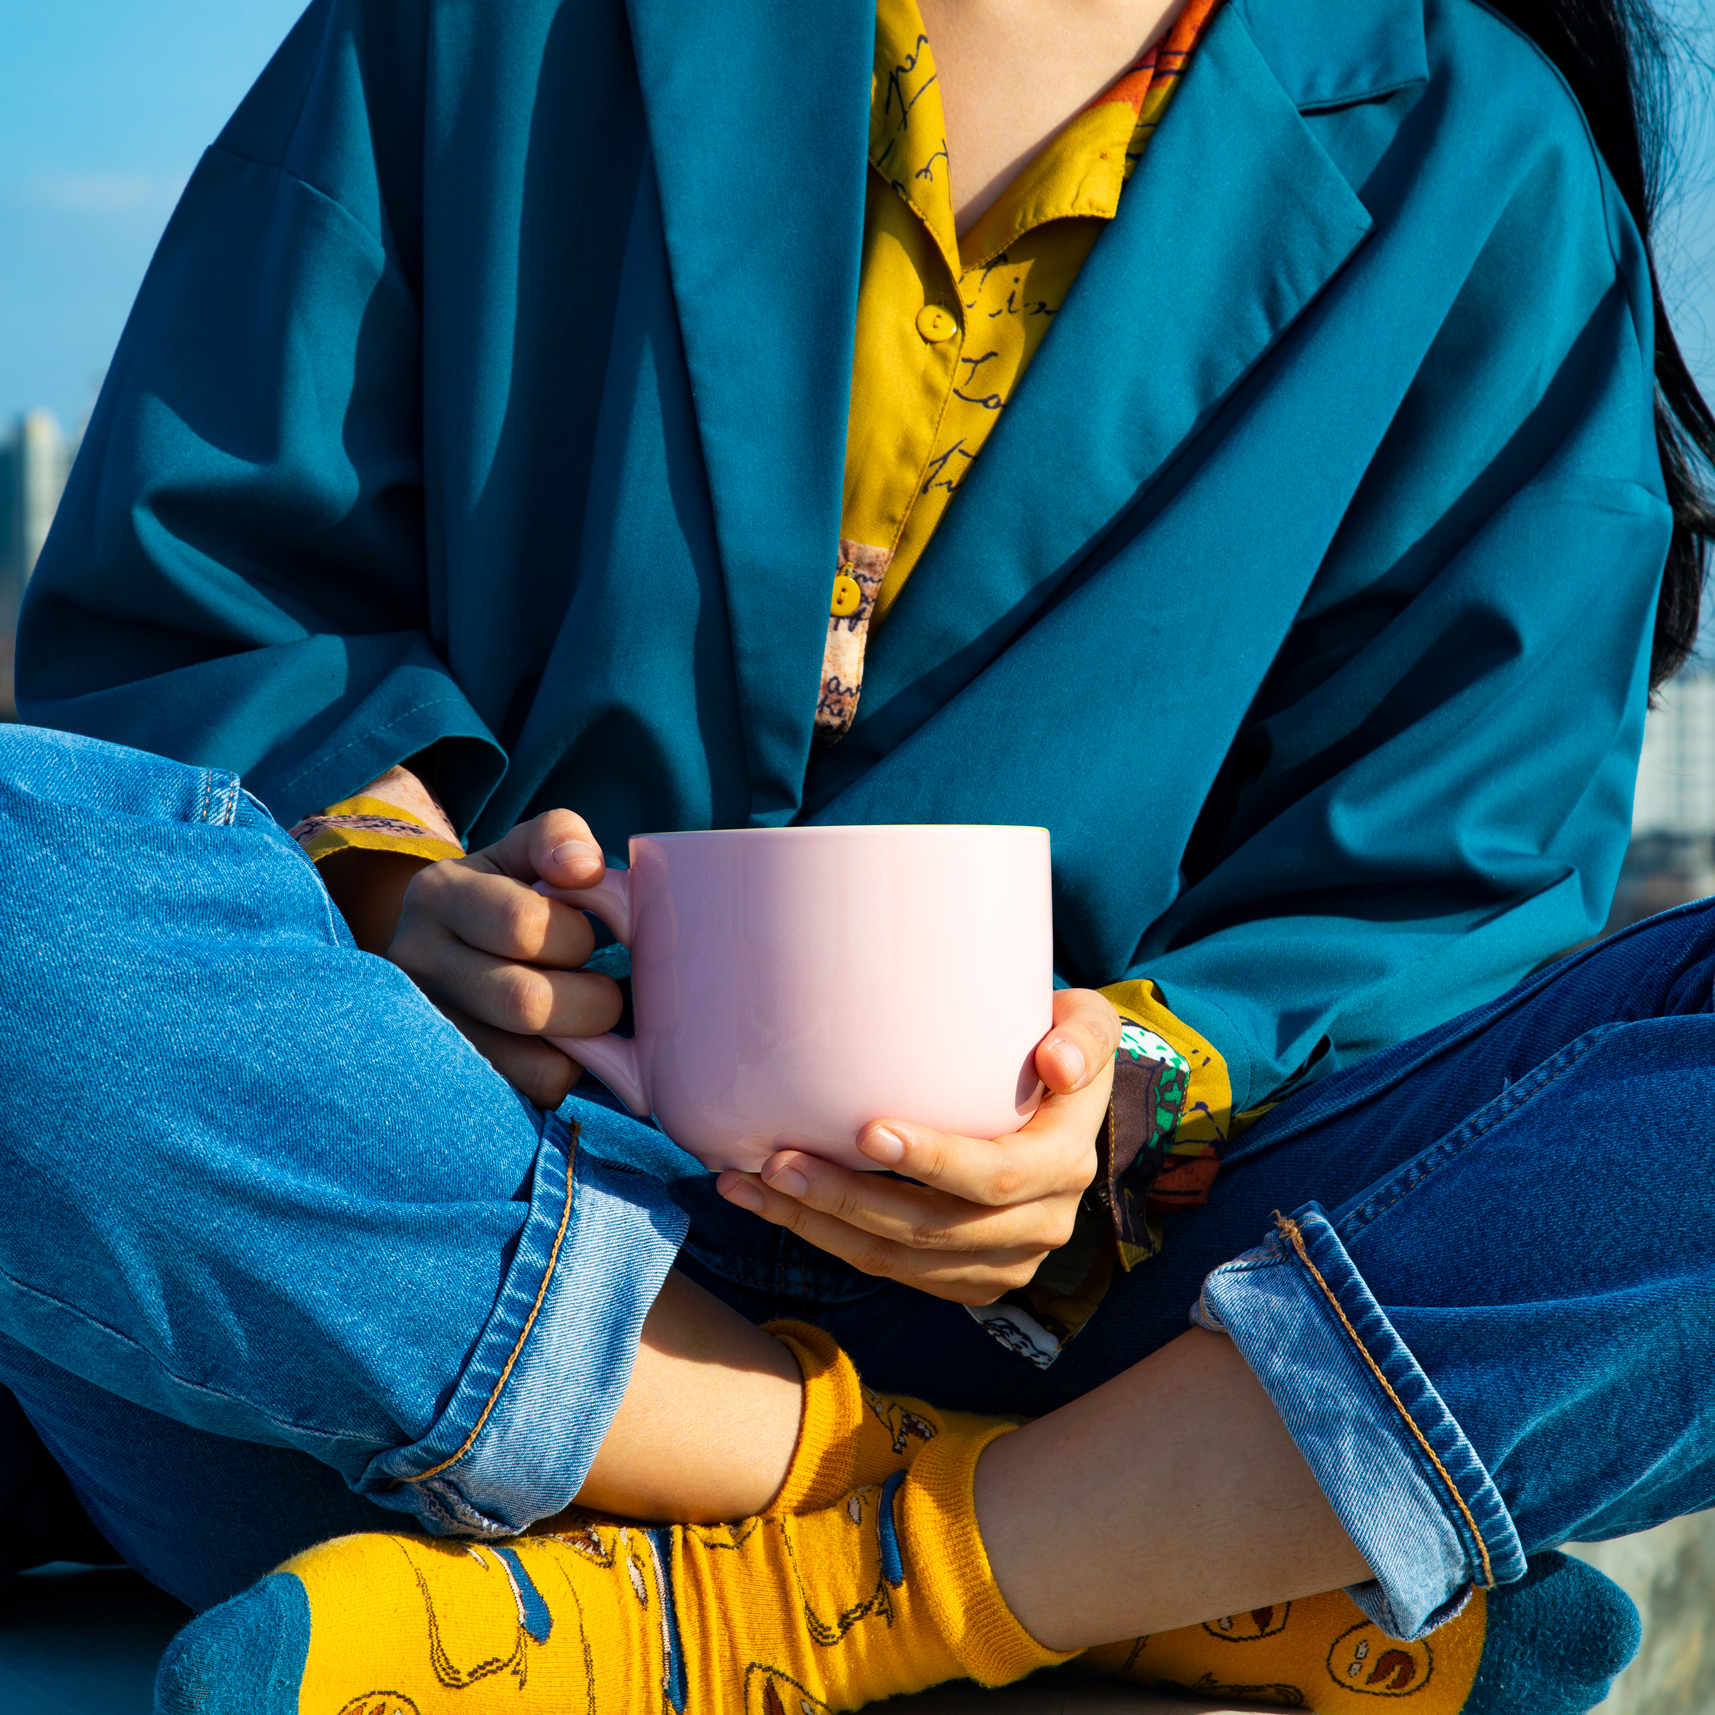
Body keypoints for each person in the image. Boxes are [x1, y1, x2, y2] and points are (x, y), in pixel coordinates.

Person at [6, 0, 1715, 1707]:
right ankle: (1074, 1545)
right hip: (401, 1249)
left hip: (1128, 1301)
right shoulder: (474, 30)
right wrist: (389, 890)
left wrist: (1134, 1085)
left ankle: (835, 1586)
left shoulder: (1476, 153)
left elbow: (1459, 854)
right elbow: (207, 610)